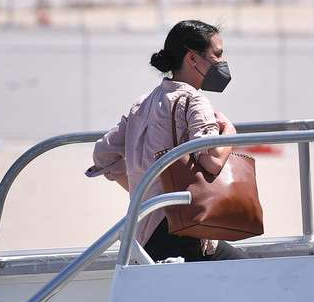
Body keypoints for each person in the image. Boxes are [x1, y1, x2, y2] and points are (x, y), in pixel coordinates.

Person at [86, 19, 248, 262]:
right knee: (248, 277)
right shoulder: (194, 100)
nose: (221, 63)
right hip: (184, 229)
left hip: (146, 230)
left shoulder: (143, 103)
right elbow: (212, 160)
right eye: (217, 55)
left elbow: (103, 154)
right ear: (192, 58)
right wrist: (230, 132)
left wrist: (142, 189)